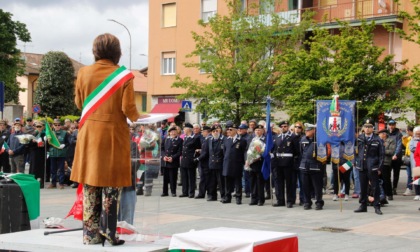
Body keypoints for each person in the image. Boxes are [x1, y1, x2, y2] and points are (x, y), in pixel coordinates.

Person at [70, 33, 145, 246]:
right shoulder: (123, 76)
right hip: (113, 134)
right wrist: (141, 117)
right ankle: (109, 232)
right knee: (111, 184)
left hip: (89, 134)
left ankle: (90, 234)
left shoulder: (83, 72)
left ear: (95, 51)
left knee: (91, 182)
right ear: (117, 52)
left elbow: (79, 103)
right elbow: (128, 109)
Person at [354, 118, 385, 215]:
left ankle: (377, 206)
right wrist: (356, 162)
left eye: (370, 127)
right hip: (362, 166)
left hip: (373, 166)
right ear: (363, 128)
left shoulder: (377, 139)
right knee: (363, 187)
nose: (367, 129)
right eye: (366, 127)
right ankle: (363, 205)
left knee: (375, 187)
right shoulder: (359, 139)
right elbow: (355, 152)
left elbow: (381, 155)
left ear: (373, 128)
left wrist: (379, 167)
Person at [271, 121, 299, 208]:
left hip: (288, 162)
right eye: (282, 126)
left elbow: (297, 150)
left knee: (289, 183)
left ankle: (290, 201)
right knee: (279, 183)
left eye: (285, 126)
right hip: (278, 162)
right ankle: (280, 200)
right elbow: (274, 149)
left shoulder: (293, 137)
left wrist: (294, 161)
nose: (283, 128)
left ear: (288, 127)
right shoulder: (277, 137)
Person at [299, 123, 324, 210]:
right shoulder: (303, 139)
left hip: (315, 166)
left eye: (308, 130)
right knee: (305, 186)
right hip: (304, 166)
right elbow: (301, 152)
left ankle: (319, 202)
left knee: (317, 187)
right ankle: (307, 202)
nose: (306, 132)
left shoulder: (319, 140)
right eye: (306, 130)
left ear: (314, 131)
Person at [179, 122, 201, 198]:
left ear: (188, 129)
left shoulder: (195, 138)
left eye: (184, 128)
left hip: (190, 160)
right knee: (184, 177)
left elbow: (198, 149)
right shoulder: (185, 137)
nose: (183, 130)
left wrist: (195, 158)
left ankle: (191, 192)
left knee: (191, 177)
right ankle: (185, 192)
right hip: (184, 160)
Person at [247, 124, 267, 206]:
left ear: (262, 131)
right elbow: (248, 150)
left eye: (259, 130)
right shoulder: (252, 139)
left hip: (260, 162)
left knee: (259, 182)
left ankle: (260, 199)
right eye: (256, 130)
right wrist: (248, 159)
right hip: (251, 162)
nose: (257, 131)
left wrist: (258, 157)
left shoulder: (265, 139)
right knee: (252, 182)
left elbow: (264, 151)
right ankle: (253, 198)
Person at [47, 119, 70, 189]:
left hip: (61, 153)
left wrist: (64, 145)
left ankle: (61, 183)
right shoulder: (50, 134)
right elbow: (48, 145)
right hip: (53, 153)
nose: (57, 126)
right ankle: (53, 183)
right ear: (53, 126)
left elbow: (68, 143)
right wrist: (45, 140)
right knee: (53, 169)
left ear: (61, 126)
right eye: (55, 125)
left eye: (58, 125)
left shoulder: (65, 133)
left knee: (61, 169)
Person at [161, 126, 182, 197]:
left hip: (173, 161)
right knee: (165, 178)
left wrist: (172, 157)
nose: (173, 133)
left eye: (174, 131)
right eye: (171, 132)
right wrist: (164, 156)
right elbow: (162, 149)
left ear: (177, 132)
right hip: (165, 161)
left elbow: (180, 152)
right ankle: (165, 192)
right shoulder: (166, 139)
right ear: (169, 133)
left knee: (173, 178)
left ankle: (173, 191)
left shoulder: (179, 140)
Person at [378, 128, 396, 201]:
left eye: (380, 134)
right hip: (378, 162)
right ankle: (382, 194)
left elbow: (391, 151)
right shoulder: (378, 140)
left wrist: (382, 149)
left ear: (384, 134)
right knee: (379, 179)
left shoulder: (391, 140)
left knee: (386, 179)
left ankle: (389, 194)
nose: (379, 135)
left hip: (386, 162)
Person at [28, 120, 47, 188]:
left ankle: (41, 182)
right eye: (37, 126)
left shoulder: (45, 134)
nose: (38, 128)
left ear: (43, 127)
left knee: (41, 167)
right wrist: (33, 142)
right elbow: (29, 145)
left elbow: (48, 145)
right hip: (34, 153)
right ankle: (33, 182)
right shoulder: (33, 134)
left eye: (40, 126)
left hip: (41, 153)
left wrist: (45, 143)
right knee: (33, 167)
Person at [387, 119, 403, 195]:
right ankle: (388, 188)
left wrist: (396, 154)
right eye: (390, 125)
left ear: (395, 125)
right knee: (387, 173)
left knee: (396, 173)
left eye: (393, 125)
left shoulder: (398, 134)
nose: (391, 126)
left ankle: (394, 188)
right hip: (388, 156)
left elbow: (399, 145)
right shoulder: (386, 133)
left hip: (396, 156)